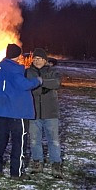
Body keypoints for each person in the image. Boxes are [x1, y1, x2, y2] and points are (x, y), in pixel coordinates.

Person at [0, 43, 42, 178]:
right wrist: (37, 81)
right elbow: (24, 85)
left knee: (0, 140)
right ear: (19, 55)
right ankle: (16, 172)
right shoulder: (14, 69)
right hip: (16, 111)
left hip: (1, 111)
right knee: (19, 142)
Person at [26, 47, 63, 176]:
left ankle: (56, 165)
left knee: (53, 140)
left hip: (50, 112)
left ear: (45, 60)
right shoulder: (28, 72)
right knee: (35, 140)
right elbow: (27, 87)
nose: (37, 61)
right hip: (33, 112)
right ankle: (37, 163)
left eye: (39, 58)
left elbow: (56, 83)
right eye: (35, 58)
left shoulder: (53, 71)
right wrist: (42, 87)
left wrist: (40, 82)